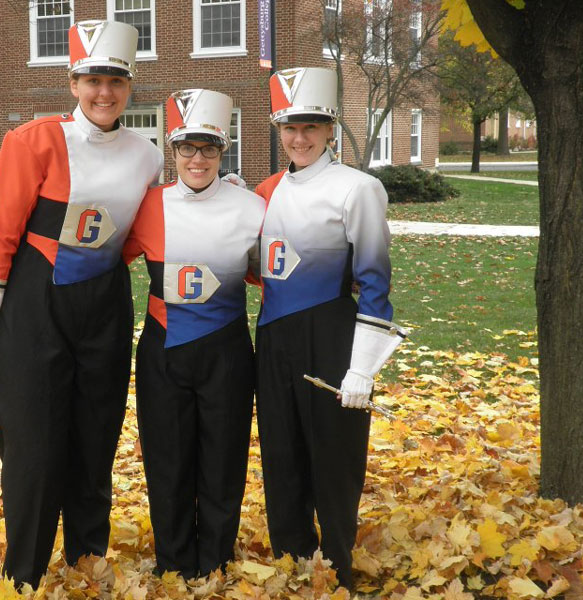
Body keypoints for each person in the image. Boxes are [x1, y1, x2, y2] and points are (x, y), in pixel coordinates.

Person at [0, 20, 163, 589]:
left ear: (129, 87)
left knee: (96, 438)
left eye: (116, 81)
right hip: (33, 308)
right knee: (33, 447)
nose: (104, 92)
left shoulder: (147, 155)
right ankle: (23, 572)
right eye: (93, 80)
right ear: (73, 83)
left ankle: (87, 560)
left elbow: (142, 238)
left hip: (105, 308)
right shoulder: (33, 140)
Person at [253, 67, 406, 589]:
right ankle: (292, 559)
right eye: (290, 129)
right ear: (279, 132)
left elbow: (375, 284)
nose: (299, 138)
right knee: (281, 452)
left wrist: (362, 367)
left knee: (334, 456)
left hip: (333, 335)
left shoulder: (359, 188)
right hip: (272, 335)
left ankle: (337, 563)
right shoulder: (268, 189)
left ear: (330, 129)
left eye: (311, 127)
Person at [122, 89, 265, 579]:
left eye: (208, 148)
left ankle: (215, 560)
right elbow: (105, 263)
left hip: (227, 348)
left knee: (224, 460)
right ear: (172, 150)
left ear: (222, 150)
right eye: (187, 147)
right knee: (167, 461)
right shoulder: (146, 206)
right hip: (163, 348)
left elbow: (265, 272)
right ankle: (174, 561)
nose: (197, 158)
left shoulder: (251, 208)